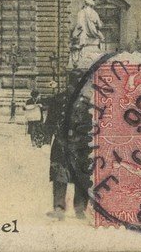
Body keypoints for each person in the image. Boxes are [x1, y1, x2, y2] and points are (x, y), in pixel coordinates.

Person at [46, 91, 90, 220]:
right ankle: (75, 209)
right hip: (75, 143)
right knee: (71, 174)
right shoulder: (87, 102)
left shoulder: (58, 99)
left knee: (68, 174)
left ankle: (64, 208)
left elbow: (49, 123)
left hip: (70, 143)